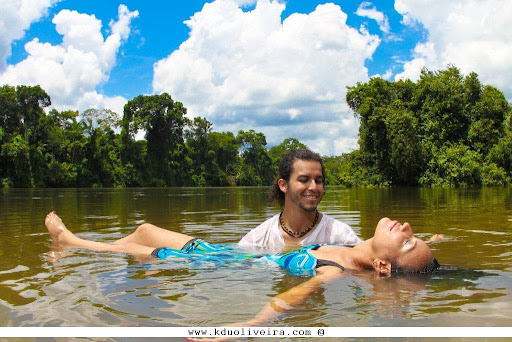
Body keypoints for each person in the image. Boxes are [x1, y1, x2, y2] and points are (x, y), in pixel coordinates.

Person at [238, 148, 361, 248]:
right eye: (304, 180)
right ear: (283, 185)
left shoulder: (340, 235)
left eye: (318, 181)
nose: (313, 187)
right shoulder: (257, 240)